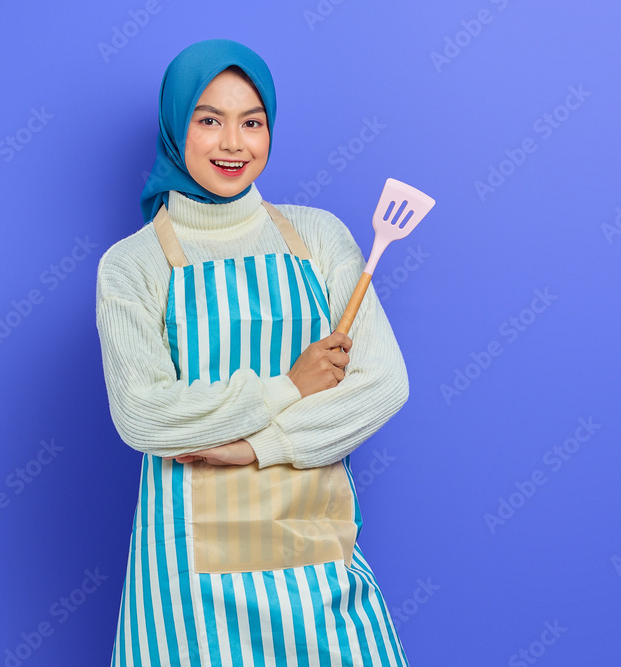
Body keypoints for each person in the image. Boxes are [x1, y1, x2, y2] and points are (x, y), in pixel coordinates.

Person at [96, 37, 411, 666]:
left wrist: (256, 446)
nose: (234, 143)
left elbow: (381, 383)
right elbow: (142, 415)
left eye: (252, 122)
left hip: (312, 550)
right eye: (209, 120)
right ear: (174, 127)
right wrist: (286, 388)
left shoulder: (319, 237)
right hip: (189, 575)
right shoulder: (132, 265)